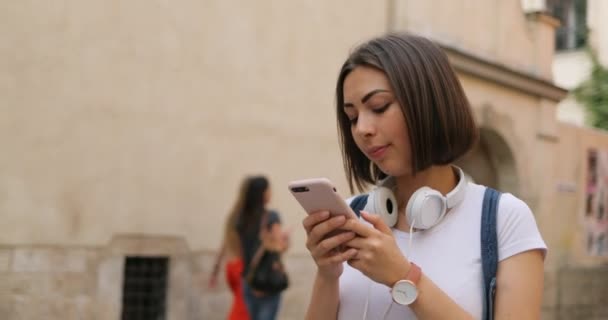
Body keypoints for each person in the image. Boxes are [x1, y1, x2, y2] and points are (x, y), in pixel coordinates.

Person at [302, 33, 547, 320]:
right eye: (352, 117)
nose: (362, 129)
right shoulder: (353, 214)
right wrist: (327, 274)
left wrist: (404, 276)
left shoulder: (504, 219)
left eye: (379, 107)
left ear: (429, 104)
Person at [237, 175, 290, 320]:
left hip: (248, 279)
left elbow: (240, 250)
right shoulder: (271, 217)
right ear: (263, 193)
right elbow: (279, 247)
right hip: (267, 279)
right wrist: (285, 240)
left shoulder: (241, 218)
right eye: (269, 189)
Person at [208, 178, 251, 320]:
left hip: (230, 267)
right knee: (243, 310)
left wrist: (215, 270)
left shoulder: (233, 215)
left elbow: (224, 243)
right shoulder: (249, 216)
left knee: (241, 306)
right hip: (242, 267)